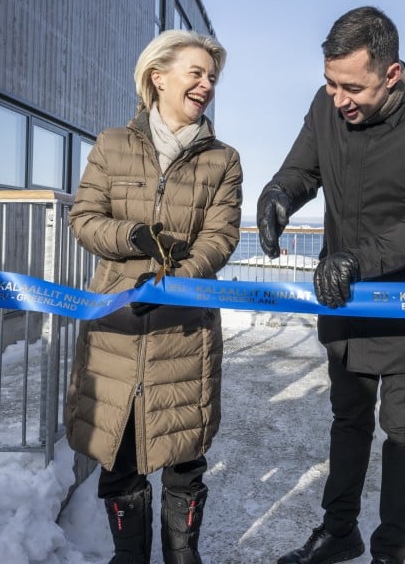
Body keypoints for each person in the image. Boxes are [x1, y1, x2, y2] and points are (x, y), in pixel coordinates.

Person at [258, 6, 405, 564]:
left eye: (353, 86)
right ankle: (339, 532)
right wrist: (278, 194)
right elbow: (303, 170)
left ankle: (390, 548)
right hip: (344, 300)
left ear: (392, 73)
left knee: (402, 430)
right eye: (330, 83)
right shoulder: (325, 105)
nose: (338, 98)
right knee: (348, 418)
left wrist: (361, 259)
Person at [66, 29, 242, 564]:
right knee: (118, 451)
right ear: (157, 76)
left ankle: (182, 555)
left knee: (184, 454)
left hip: (184, 327)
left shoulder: (224, 160)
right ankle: (129, 555)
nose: (207, 84)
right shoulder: (111, 145)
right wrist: (133, 237)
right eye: (197, 72)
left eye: (212, 77)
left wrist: (173, 281)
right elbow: (85, 219)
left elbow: (222, 236)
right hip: (117, 323)